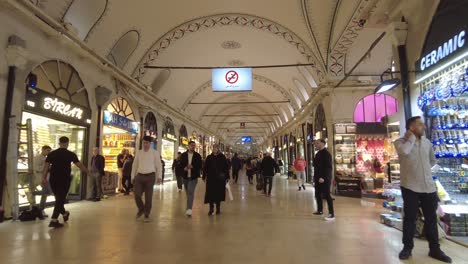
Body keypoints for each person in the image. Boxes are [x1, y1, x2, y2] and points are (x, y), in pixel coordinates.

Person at [394, 116, 451, 263]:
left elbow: (432, 161)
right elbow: (404, 152)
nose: (424, 127)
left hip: (428, 187)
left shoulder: (427, 143)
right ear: (411, 127)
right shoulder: (400, 142)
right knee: (410, 219)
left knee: (431, 219)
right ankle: (407, 248)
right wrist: (411, 139)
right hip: (410, 186)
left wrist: (425, 172)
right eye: (420, 125)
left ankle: (435, 249)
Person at [42, 137, 88, 228]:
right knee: (60, 198)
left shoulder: (52, 154)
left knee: (59, 198)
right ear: (67, 143)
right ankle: (54, 219)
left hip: (53, 179)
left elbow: (46, 167)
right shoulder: (70, 154)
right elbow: (79, 165)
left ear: (59, 143)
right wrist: (88, 172)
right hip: (65, 179)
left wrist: (43, 178)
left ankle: (64, 213)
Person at [131, 136, 162, 222]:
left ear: (150, 143)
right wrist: (132, 176)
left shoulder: (155, 153)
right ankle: (141, 209)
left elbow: (158, 166)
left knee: (148, 197)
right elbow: (134, 165)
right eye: (144, 143)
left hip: (150, 176)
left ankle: (146, 214)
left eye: (147, 143)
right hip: (139, 176)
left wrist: (159, 176)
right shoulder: (139, 152)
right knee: (137, 194)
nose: (145, 144)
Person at [203, 144, 229, 215]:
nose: (215, 149)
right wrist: (204, 176)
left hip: (220, 179)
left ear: (218, 149)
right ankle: (211, 208)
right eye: (214, 148)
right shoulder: (209, 157)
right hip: (211, 179)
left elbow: (226, 167)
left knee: (218, 193)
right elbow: (205, 167)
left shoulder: (222, 157)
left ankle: (218, 208)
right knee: (210, 193)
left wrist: (227, 177)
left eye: (216, 148)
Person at [179, 141, 202, 217]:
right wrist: (184, 168)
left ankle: (189, 209)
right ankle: (189, 206)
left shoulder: (197, 156)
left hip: (193, 177)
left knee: (190, 192)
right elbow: (180, 165)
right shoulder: (183, 155)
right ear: (188, 146)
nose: (193, 147)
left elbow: (200, 166)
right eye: (192, 145)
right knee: (188, 192)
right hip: (185, 177)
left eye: (194, 146)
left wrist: (193, 167)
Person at [313, 139, 334, 221]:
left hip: (324, 178)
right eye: (315, 143)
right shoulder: (318, 153)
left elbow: (328, 167)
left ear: (322, 143)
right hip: (318, 177)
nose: (316, 144)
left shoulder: (326, 154)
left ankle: (331, 213)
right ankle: (320, 210)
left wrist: (323, 177)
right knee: (318, 194)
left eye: (317, 143)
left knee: (327, 195)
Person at [33, 145, 52, 218]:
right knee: (47, 193)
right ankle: (41, 209)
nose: (48, 152)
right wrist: (46, 168)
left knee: (46, 193)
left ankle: (41, 210)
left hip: (45, 177)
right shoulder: (38, 157)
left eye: (49, 151)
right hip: (40, 177)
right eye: (47, 150)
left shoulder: (46, 158)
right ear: (43, 149)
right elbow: (37, 168)